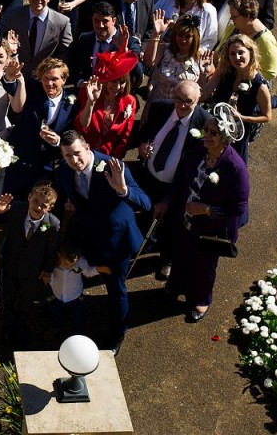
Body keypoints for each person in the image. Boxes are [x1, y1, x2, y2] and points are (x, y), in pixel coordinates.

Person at [54, 130, 150, 352]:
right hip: (87, 234)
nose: (74, 161)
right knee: (77, 270)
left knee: (116, 289)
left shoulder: (112, 167)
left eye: (77, 153)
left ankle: (117, 332)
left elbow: (145, 203)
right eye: (68, 156)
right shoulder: (65, 172)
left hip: (115, 240)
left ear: (88, 147)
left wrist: (123, 190)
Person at [156, 111, 249, 322]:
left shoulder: (235, 167)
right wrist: (167, 201)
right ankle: (175, 286)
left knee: (204, 267)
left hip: (211, 229)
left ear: (225, 138)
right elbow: (180, 179)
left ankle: (201, 299)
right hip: (185, 219)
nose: (207, 136)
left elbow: (239, 208)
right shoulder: (200, 151)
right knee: (179, 254)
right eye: (206, 130)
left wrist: (206, 209)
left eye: (213, 133)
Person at [133, 80, 208, 282]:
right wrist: (142, 146)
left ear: (198, 100)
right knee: (147, 213)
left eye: (188, 101)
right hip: (149, 176)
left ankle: (166, 259)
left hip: (176, 187)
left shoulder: (204, 124)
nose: (182, 105)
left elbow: (192, 172)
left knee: (172, 226)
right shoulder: (161, 108)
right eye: (178, 99)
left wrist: (168, 198)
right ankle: (141, 244)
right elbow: (145, 133)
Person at [0, 184, 60, 347]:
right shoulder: (15, 210)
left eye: (43, 205)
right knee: (7, 297)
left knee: (26, 302)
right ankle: (8, 325)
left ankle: (21, 327)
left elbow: (51, 250)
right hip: (9, 264)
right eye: (35, 201)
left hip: (32, 271)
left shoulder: (52, 224)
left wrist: (47, 270)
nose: (38, 207)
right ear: (29, 197)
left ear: (50, 207)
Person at [5, 57, 76, 198]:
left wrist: (57, 141)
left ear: (64, 80)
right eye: (45, 78)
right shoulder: (31, 88)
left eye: (54, 79)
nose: (49, 83)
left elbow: (72, 135)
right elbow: (12, 87)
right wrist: (9, 77)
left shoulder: (72, 104)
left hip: (45, 169)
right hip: (19, 162)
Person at [203, 33, 272, 162]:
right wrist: (204, 74)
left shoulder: (259, 85)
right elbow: (204, 94)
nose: (237, 57)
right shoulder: (224, 71)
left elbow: (267, 116)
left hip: (237, 140)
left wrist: (241, 117)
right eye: (232, 54)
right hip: (214, 133)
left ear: (250, 53)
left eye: (241, 52)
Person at [75, 50, 140, 159]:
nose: (118, 87)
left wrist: (114, 159)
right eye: (114, 81)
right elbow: (81, 127)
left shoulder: (130, 101)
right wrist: (91, 102)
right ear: (105, 80)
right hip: (84, 152)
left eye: (122, 82)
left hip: (109, 156)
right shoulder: (88, 93)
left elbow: (125, 136)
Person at [0, 0, 73, 68]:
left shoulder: (62, 22)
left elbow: (65, 52)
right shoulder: (13, 15)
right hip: (16, 72)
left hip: (45, 77)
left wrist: (53, 70)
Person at [68, 1, 143, 86]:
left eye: (105, 21)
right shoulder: (84, 39)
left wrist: (124, 51)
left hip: (115, 94)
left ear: (114, 21)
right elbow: (72, 66)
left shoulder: (130, 42)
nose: (101, 25)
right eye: (96, 21)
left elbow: (138, 75)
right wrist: (80, 82)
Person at [143, 13, 206, 105]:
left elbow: (203, 92)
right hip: (158, 104)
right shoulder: (165, 49)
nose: (183, 40)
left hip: (182, 109)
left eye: (188, 36)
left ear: (195, 38)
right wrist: (156, 35)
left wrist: (204, 73)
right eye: (180, 35)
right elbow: (149, 62)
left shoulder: (200, 56)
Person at [218, 0, 277, 84]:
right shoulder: (233, 27)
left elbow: (270, 73)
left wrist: (242, 75)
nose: (231, 18)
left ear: (247, 16)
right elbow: (219, 51)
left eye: (234, 16)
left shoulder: (265, 40)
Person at [48, 241, 101, 339]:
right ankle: (55, 328)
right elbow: (49, 275)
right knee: (55, 313)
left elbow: (88, 272)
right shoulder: (54, 263)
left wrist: (99, 269)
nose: (69, 267)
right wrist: (48, 281)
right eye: (66, 263)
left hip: (75, 296)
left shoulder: (79, 264)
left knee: (78, 315)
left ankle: (78, 334)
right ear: (59, 256)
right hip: (57, 294)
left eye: (72, 264)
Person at [154, 0, 218, 51]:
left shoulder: (208, 10)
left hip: (188, 55)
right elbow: (153, 14)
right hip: (161, 47)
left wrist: (193, 53)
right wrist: (165, 22)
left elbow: (210, 41)